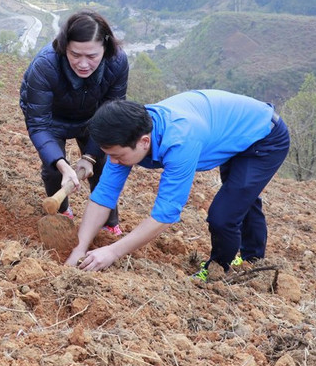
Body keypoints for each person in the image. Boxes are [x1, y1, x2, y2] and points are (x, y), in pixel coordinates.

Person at [65, 90, 290, 280]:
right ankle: (253, 258)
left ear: (144, 142)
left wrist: (113, 252)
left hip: (264, 136)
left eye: (117, 156)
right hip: (233, 128)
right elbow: (103, 195)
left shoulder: (180, 141)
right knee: (240, 196)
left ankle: (218, 270)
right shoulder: (127, 132)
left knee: (224, 215)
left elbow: (165, 215)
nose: (113, 162)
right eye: (109, 155)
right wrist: (80, 247)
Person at [20, 10, 129, 235]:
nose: (83, 64)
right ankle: (62, 213)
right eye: (75, 54)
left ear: (105, 48)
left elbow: (111, 113)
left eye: (92, 56)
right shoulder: (45, 66)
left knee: (103, 166)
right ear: (64, 47)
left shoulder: (117, 62)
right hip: (51, 119)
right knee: (53, 170)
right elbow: (38, 124)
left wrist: (89, 156)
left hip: (94, 118)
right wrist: (62, 164)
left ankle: (108, 222)